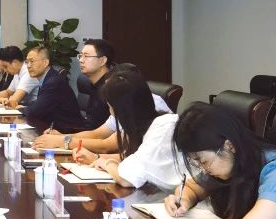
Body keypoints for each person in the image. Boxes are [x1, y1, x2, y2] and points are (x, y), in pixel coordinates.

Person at [73, 70, 181, 190]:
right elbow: (132, 158)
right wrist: (96, 158)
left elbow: (126, 179)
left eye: (110, 107)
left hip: (171, 196)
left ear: (122, 109)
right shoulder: (147, 126)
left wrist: (106, 163)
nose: (111, 112)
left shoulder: (163, 127)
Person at [32, 62, 171, 153]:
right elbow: (98, 134)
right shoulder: (123, 103)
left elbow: (109, 145)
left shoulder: (149, 107)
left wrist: (63, 141)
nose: (110, 106)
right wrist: (63, 137)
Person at [21, 46, 85, 133]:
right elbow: (40, 103)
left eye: (32, 61)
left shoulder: (53, 82)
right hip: (55, 128)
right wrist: (24, 106)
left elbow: (34, 112)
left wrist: (22, 109)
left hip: (67, 132)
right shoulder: (48, 78)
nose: (28, 66)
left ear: (45, 63)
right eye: (27, 62)